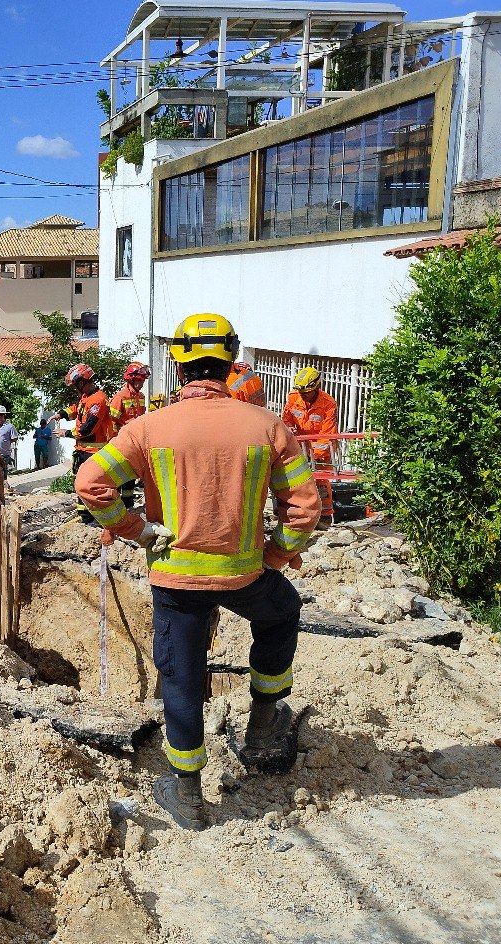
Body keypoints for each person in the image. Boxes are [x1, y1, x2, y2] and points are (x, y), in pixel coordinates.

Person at [76, 313, 320, 831]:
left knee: (181, 678)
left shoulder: (147, 429)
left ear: (177, 363)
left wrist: (134, 529)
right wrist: (277, 555)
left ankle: (186, 795)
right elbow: (304, 508)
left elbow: (91, 482)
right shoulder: (267, 425)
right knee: (281, 613)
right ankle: (262, 726)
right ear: (231, 361)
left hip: (176, 580)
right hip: (246, 575)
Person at [48, 363, 112, 524]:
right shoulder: (87, 396)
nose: (75, 388)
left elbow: (87, 429)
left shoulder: (98, 401)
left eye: (76, 384)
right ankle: (84, 518)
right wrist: (60, 414)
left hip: (94, 453)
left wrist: (67, 433)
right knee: (81, 485)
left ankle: (95, 520)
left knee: (91, 486)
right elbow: (77, 409)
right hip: (83, 451)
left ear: (82, 381)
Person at [282, 366, 338, 528]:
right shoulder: (293, 398)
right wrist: (289, 428)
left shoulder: (328, 404)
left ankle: (325, 517)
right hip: (299, 448)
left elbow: (327, 434)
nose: (304, 397)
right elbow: (286, 419)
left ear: (316, 388)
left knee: (320, 482)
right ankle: (298, 514)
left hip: (320, 452)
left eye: (307, 393)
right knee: (295, 482)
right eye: (301, 393)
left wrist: (314, 455)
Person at [110, 362, 150, 508]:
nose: (141, 384)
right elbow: (111, 421)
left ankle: (128, 504)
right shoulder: (120, 397)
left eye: (143, 381)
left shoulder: (141, 397)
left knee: (130, 475)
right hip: (121, 443)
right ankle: (116, 505)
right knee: (117, 476)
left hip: (134, 443)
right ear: (131, 379)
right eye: (139, 380)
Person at [0, 405, 18, 472]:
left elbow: (15, 438)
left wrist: (6, 441)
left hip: (4, 454)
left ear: (2, 416)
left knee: (3, 473)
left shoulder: (10, 426)